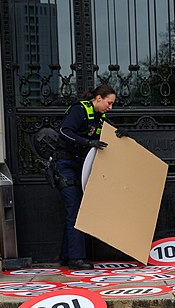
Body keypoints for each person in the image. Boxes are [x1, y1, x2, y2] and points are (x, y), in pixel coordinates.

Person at [54, 84, 116, 269]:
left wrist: (121, 134)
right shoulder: (79, 110)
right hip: (64, 165)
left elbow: (108, 134)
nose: (110, 107)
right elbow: (64, 131)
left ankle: (66, 256)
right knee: (74, 210)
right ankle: (76, 258)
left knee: (75, 210)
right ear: (98, 98)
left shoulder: (100, 117)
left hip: (78, 167)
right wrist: (87, 142)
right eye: (109, 103)